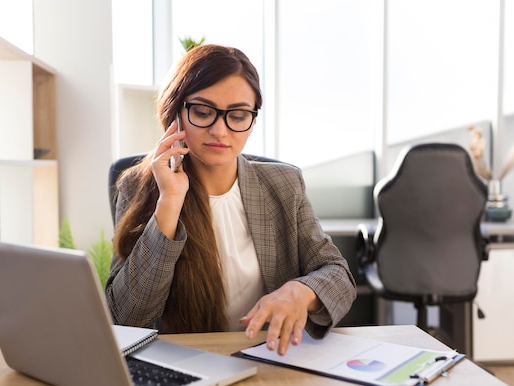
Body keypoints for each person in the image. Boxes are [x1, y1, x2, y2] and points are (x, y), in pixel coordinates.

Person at [106, 44, 356, 356]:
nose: (220, 130)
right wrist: (169, 201)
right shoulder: (136, 186)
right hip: (183, 364)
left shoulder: (284, 184)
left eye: (237, 116)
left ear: (251, 121)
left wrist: (301, 292)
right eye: (202, 112)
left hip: (269, 360)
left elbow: (337, 275)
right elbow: (128, 318)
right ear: (176, 114)